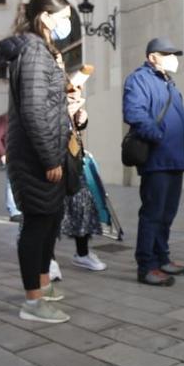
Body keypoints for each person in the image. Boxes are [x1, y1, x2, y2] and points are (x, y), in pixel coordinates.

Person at [0, 0, 73, 323]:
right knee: (36, 225)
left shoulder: (42, 51)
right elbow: (32, 110)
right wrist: (49, 159)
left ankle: (43, 286)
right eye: (64, 18)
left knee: (49, 222)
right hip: (34, 157)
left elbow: (48, 104)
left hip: (45, 151)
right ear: (45, 17)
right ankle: (32, 301)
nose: (67, 24)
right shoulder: (33, 51)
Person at [122, 37, 184, 287]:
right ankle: (146, 265)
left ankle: (162, 258)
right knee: (153, 213)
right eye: (168, 54)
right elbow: (134, 114)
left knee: (166, 214)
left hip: (174, 160)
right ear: (153, 57)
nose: (174, 58)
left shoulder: (169, 84)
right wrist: (159, 137)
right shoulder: (139, 79)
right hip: (158, 159)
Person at [63, 65, 108, 273]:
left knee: (82, 205)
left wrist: (81, 119)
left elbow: (75, 128)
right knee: (52, 213)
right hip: (52, 161)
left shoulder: (73, 97)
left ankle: (82, 253)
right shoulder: (47, 95)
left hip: (73, 162)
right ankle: (47, 261)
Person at [0, 113, 23, 222]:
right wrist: (3, 154)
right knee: (12, 184)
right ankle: (14, 211)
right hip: (12, 156)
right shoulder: (4, 119)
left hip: (26, 157)